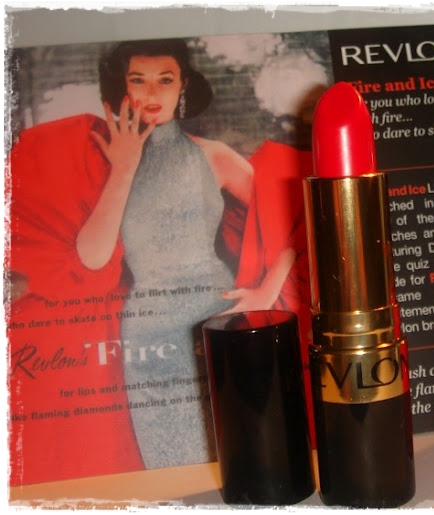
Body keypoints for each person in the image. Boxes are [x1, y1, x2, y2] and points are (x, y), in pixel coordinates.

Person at [7, 38, 304, 483]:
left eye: (165, 80)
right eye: (138, 80)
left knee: (239, 447)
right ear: (122, 88)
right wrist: (124, 167)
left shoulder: (214, 156)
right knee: (171, 466)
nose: (151, 92)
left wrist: (266, 290)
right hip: (147, 332)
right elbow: (92, 259)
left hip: (216, 314)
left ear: (183, 86)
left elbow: (294, 218)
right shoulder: (100, 159)